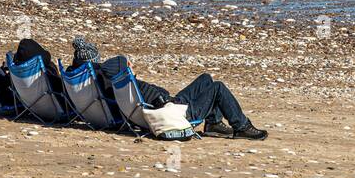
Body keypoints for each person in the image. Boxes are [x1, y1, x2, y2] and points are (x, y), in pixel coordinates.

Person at [71, 38, 268, 140]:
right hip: (169, 113)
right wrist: (125, 62)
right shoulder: (106, 74)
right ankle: (241, 126)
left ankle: (214, 123)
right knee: (217, 87)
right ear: (94, 61)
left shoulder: (94, 81)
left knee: (205, 78)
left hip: (165, 105)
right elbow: (114, 63)